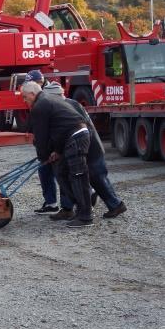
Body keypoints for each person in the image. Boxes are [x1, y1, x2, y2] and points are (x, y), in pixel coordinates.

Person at [41, 80, 127, 220]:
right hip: (85, 145)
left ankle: (115, 204)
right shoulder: (70, 104)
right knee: (67, 174)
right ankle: (68, 208)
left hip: (89, 147)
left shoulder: (68, 105)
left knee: (96, 177)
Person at [21, 81, 93, 228]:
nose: (24, 100)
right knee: (61, 172)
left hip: (76, 135)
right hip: (72, 135)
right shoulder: (48, 99)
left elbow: (41, 136)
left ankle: (85, 216)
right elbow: (58, 129)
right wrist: (57, 151)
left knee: (78, 176)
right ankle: (77, 208)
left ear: (33, 94)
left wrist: (43, 157)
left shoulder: (40, 106)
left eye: (25, 97)